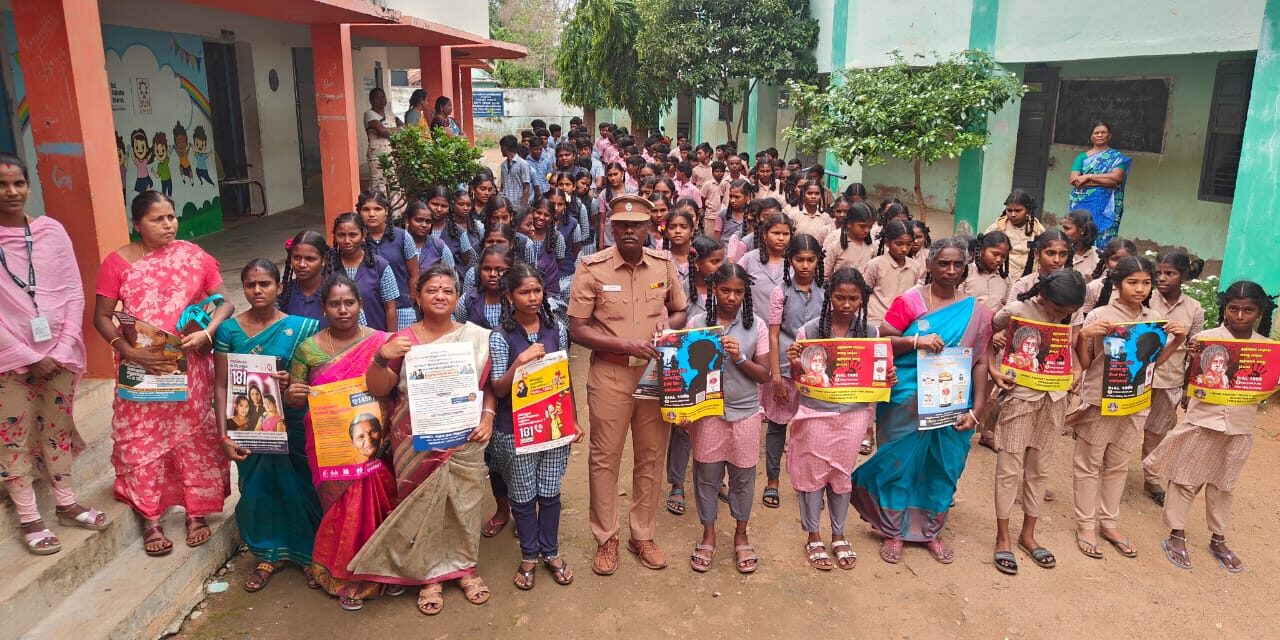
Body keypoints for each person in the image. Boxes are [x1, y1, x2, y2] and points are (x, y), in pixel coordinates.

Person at [350, 264, 497, 615]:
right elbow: (379, 389)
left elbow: (487, 388)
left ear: (458, 297)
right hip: (414, 440)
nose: (440, 296)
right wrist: (381, 357)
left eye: (448, 290)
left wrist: (488, 417)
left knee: (464, 506)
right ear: (417, 296)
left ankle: (464, 568)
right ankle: (428, 576)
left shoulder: (474, 336)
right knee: (421, 508)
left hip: (464, 437)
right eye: (432, 290)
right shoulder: (401, 340)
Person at [93, 190, 234, 556]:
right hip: (141, 368)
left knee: (194, 438)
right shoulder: (117, 262)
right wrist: (129, 351)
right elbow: (102, 316)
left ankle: (196, 512)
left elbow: (225, 302)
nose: (169, 224)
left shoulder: (193, 256)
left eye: (171, 217)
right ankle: (151, 518)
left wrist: (208, 331)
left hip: (190, 366)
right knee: (142, 443)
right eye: (158, 219)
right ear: (137, 224)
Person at [851, 237, 993, 565]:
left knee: (943, 467)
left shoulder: (976, 311)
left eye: (958, 264)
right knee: (900, 463)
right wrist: (917, 341)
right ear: (929, 265)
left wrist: (978, 408)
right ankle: (894, 530)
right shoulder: (911, 301)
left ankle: (931, 530)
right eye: (944, 263)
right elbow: (884, 340)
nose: (951, 270)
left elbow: (981, 360)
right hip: (906, 399)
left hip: (953, 403)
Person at [568, 194, 688, 576]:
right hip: (611, 373)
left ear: (650, 227)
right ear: (612, 228)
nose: (630, 230)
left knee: (651, 455)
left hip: (655, 374)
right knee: (605, 458)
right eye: (622, 225)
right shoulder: (591, 267)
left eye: (637, 225)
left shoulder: (663, 264)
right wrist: (624, 344)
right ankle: (607, 538)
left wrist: (669, 325)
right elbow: (578, 329)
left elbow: (680, 309)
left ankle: (642, 534)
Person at [0, 153, 108, 556]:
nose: (11, 192)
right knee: (13, 436)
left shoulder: (50, 231)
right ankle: (30, 516)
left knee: (56, 430)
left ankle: (65, 502)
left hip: (60, 356)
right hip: (10, 359)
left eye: (18, 183)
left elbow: (73, 290)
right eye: (2, 184)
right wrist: (26, 353)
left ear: (29, 186)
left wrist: (61, 347)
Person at [1145, 281, 1274, 572]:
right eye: (1234, 309)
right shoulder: (1205, 338)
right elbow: (1193, 376)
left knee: (1224, 484)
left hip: (1240, 424)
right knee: (1185, 478)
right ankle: (1176, 533)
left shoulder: (1267, 349)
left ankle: (1218, 538)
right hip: (1204, 419)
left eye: (1248, 311)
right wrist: (1193, 361)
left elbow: (1267, 389)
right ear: (1225, 308)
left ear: (1259, 312)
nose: (1240, 316)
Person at [286, 274, 395, 611]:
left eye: (349, 302)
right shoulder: (308, 349)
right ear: (324, 308)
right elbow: (293, 398)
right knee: (340, 510)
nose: (343, 310)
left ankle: (383, 572)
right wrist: (292, 393)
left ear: (361, 305)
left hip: (373, 443)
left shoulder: (381, 342)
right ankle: (343, 575)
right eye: (335, 304)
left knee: (378, 505)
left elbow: (396, 389)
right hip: (330, 445)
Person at [213, 258, 322, 592]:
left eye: (265, 284)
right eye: (250, 285)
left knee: (302, 485)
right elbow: (220, 384)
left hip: (291, 422)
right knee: (259, 490)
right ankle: (267, 553)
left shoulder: (302, 327)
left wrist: (290, 381)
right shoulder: (228, 330)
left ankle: (309, 554)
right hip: (248, 424)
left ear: (279, 287)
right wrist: (223, 435)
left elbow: (313, 380)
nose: (257, 290)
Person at [1072, 256, 1187, 560]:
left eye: (1146, 283)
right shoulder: (1100, 314)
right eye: (1132, 282)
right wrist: (1084, 337)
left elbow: (1153, 363)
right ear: (1117, 283)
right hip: (1100, 399)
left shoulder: (1153, 317)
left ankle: (1109, 522)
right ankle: (1085, 525)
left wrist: (1177, 340)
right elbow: (1085, 363)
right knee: (1088, 464)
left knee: (1119, 464)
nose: (1140, 289)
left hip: (1136, 401)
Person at [786, 267, 890, 571]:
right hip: (816, 411)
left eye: (853, 298)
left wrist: (887, 378)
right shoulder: (809, 331)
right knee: (812, 475)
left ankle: (839, 533)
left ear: (862, 299)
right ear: (829, 296)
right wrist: (794, 362)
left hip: (854, 414)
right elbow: (797, 376)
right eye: (840, 297)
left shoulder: (871, 334)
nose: (846, 304)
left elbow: (877, 377)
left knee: (842, 474)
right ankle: (813, 535)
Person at [987, 269, 1086, 575]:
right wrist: (994, 368)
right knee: (1009, 468)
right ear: (1043, 297)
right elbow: (989, 340)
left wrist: (1078, 371)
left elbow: (1075, 349)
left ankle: (1028, 534)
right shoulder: (1017, 310)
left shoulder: (1073, 314)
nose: (1062, 316)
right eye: (1058, 311)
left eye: (1068, 312)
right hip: (1020, 397)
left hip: (1055, 400)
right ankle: (1002, 536)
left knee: (1040, 470)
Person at [487, 262, 578, 589]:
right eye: (524, 292)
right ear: (510, 296)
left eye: (537, 290)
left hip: (553, 426)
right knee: (523, 497)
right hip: (516, 430)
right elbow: (497, 389)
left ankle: (550, 552)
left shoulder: (557, 329)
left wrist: (574, 421)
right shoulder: (500, 337)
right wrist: (520, 363)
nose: (532, 297)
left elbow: (565, 376)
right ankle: (529, 555)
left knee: (550, 493)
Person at [684, 263, 771, 573]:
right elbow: (683, 373)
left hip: (745, 412)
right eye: (725, 290)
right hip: (707, 413)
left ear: (746, 293)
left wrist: (739, 357)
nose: (731, 297)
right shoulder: (697, 323)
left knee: (743, 478)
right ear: (713, 290)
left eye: (738, 291)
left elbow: (764, 375)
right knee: (706, 476)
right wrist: (682, 409)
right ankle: (708, 534)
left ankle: (740, 534)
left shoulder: (756, 326)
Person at [761, 233, 825, 508]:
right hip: (785, 369)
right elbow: (774, 336)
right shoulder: (781, 292)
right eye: (799, 259)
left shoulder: (826, 291)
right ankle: (772, 481)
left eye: (811, 260)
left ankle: (806, 482)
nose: (805, 266)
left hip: (816, 371)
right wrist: (775, 375)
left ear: (818, 261)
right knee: (777, 426)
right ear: (790, 260)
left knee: (810, 429)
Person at [1142, 251, 1206, 505]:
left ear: (1184, 276)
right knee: (1127, 423)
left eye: (1170, 274)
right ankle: (1112, 466)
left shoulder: (1194, 308)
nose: (1162, 278)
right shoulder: (1145, 299)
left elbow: (1196, 350)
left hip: (1171, 378)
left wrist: (1190, 387)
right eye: (1158, 273)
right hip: (1139, 375)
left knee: (1157, 430)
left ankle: (1151, 479)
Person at [327, 212, 399, 332]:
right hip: (338, 340)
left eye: (353, 235)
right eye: (341, 235)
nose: (347, 240)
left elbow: (390, 307)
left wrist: (390, 338)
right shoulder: (328, 266)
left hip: (375, 336)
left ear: (363, 234)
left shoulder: (380, 266)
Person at [360, 191, 419, 330]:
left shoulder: (403, 237)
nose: (372, 214)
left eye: (377, 209)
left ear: (386, 211)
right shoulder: (355, 241)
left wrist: (411, 300)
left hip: (401, 309)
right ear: (359, 212)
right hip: (368, 312)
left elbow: (414, 274)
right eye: (366, 209)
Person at [1069, 121, 1132, 249]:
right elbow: (1074, 180)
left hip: (1107, 205)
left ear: (1109, 136)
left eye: (1103, 132)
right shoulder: (1081, 157)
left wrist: (1088, 177)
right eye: (1096, 133)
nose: (1100, 135)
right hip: (1083, 203)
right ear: (1091, 136)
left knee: (1103, 238)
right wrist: (1104, 181)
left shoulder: (1117, 157)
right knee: (1081, 234)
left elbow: (1116, 179)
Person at [984, 191, 1045, 281]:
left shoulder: (1037, 229)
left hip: (1029, 279)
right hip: (1002, 278)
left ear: (1027, 210)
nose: (1013, 214)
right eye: (1009, 210)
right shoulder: (997, 227)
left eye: (1018, 211)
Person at [1006, 230, 1073, 304]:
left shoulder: (1073, 285)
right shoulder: (1023, 285)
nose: (1057, 260)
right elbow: (1007, 313)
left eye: (1063, 254)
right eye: (1050, 253)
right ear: (1037, 254)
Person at [279, 231, 330, 325]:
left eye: (310, 259)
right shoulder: (283, 293)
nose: (302, 264)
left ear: (323, 260)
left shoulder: (336, 291)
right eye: (296, 257)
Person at [823, 201, 876, 276]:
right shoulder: (836, 246)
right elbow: (825, 274)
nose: (867, 230)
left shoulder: (873, 247)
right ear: (849, 224)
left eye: (870, 227)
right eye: (862, 226)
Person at [364, 88, 400, 194]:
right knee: (378, 182)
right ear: (371, 100)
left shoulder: (391, 114)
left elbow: (404, 127)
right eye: (377, 97)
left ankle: (395, 209)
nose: (381, 99)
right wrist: (396, 130)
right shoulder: (369, 114)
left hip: (393, 153)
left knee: (394, 182)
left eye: (383, 96)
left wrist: (389, 130)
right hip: (377, 155)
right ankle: (379, 207)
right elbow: (383, 131)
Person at [1061, 210, 1100, 279]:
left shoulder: (1098, 258)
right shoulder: (1059, 252)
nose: (1063, 233)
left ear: (1082, 230)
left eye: (1067, 229)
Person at [499, 135, 532, 213]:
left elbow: (526, 187)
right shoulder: (503, 165)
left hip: (518, 206)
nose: (501, 150)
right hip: (506, 205)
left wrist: (522, 207)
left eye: (501, 147)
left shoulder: (523, 164)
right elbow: (502, 186)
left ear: (504, 147)